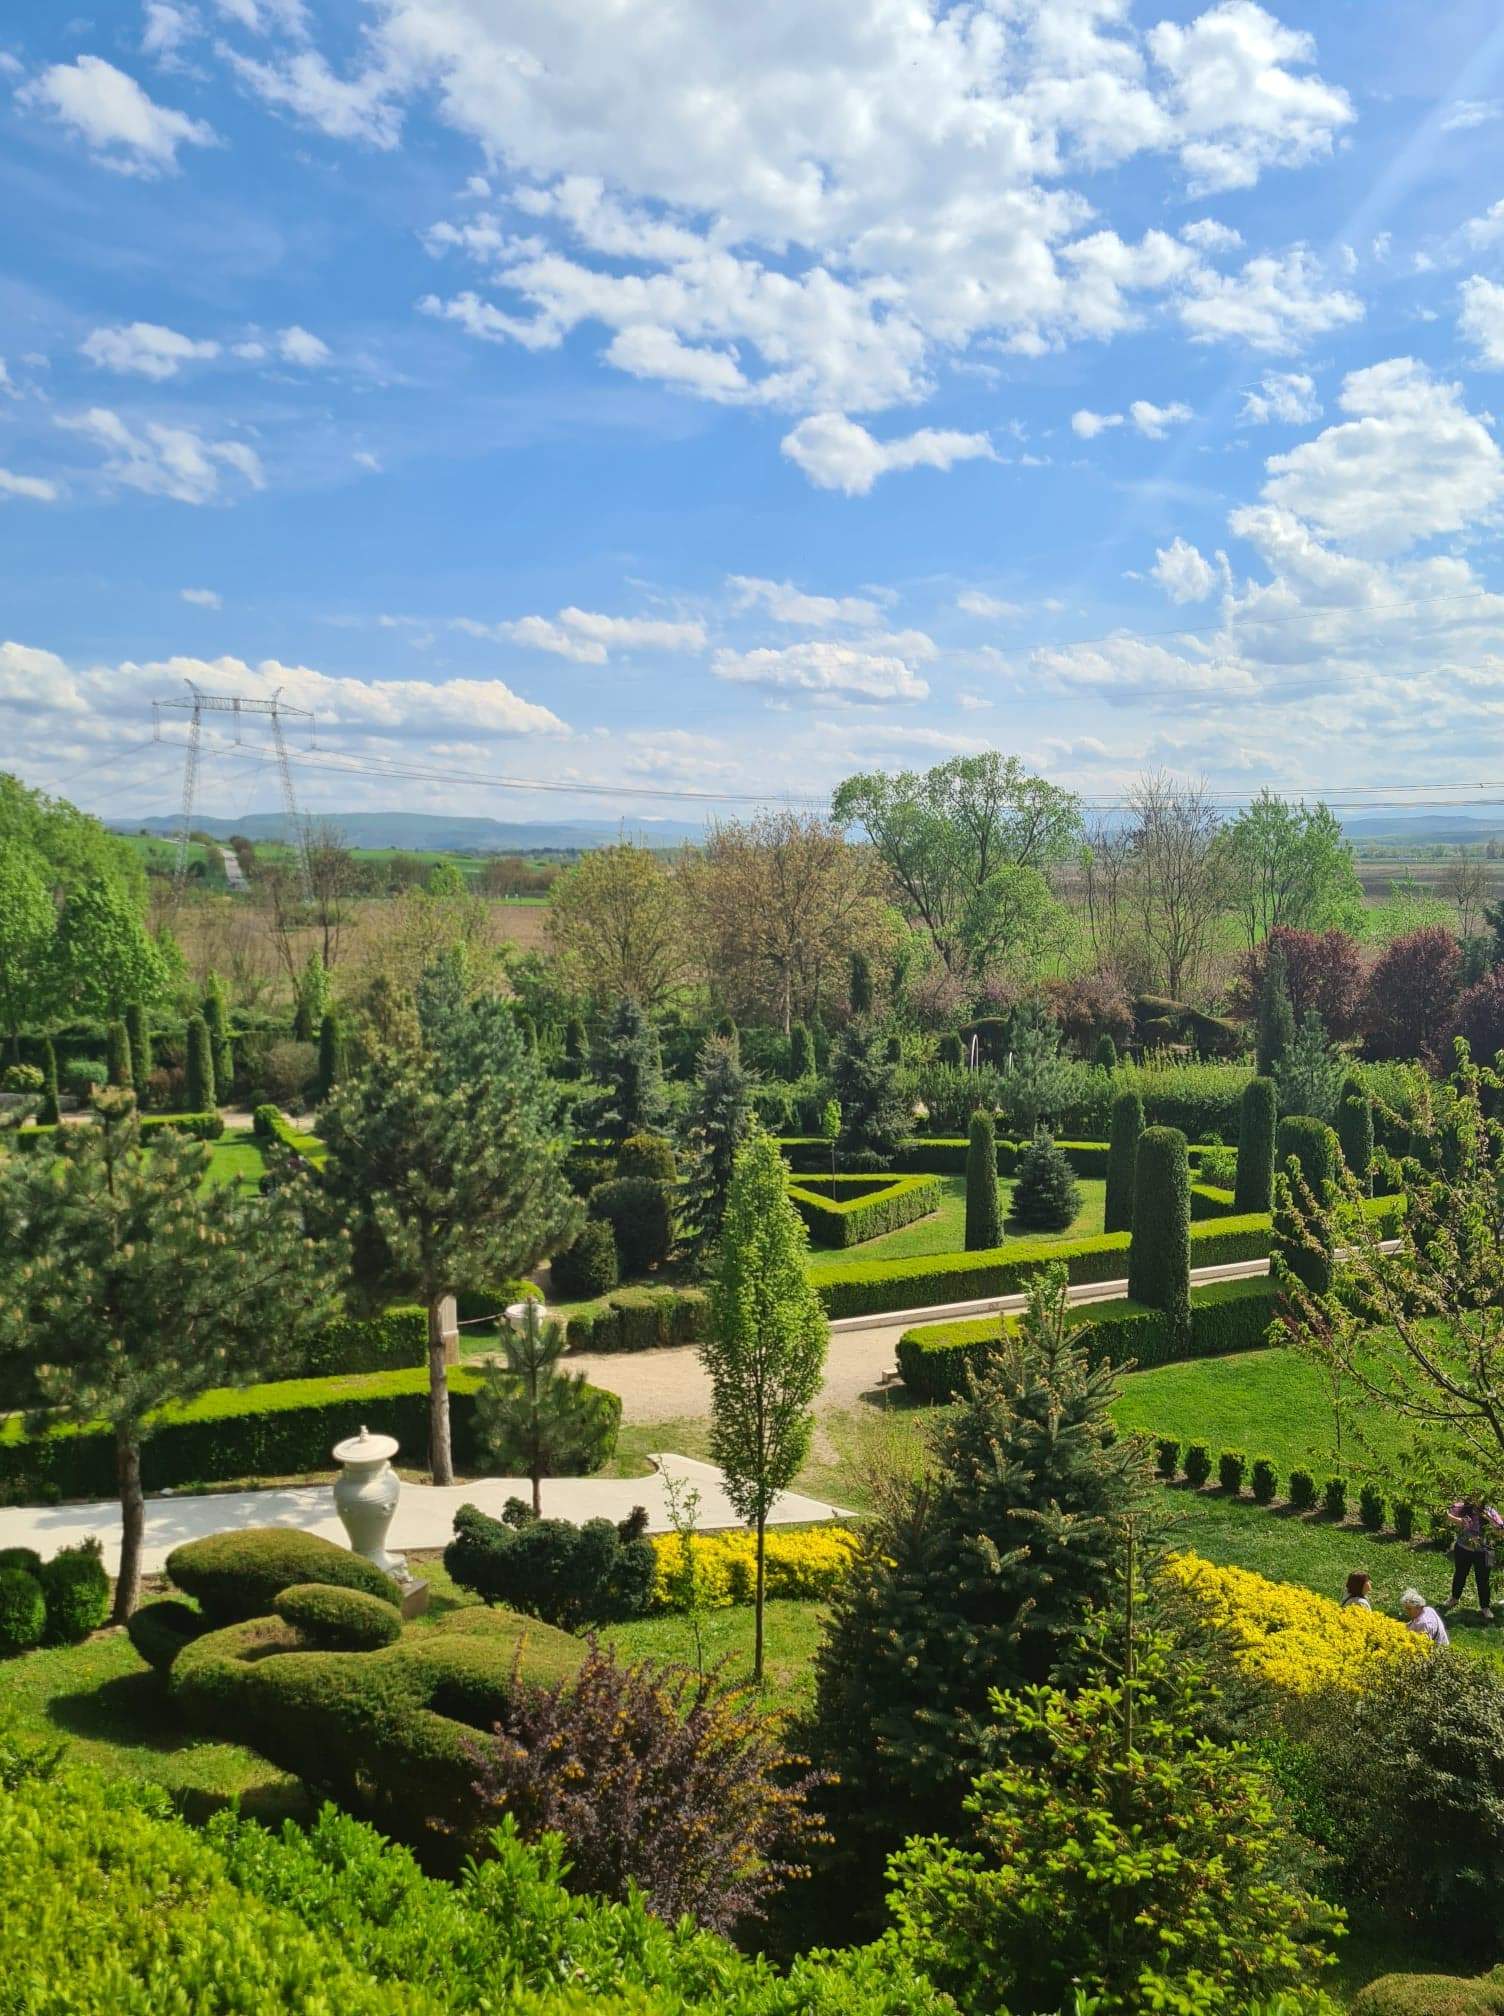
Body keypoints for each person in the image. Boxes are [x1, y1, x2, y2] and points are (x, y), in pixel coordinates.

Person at [1444, 1495, 1502, 1621]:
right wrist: (1458, 1521)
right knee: (1460, 1573)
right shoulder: (1463, 1508)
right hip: (1463, 1548)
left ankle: (1485, 1607)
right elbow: (1446, 1514)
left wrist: (1489, 1520)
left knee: (1483, 1580)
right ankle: (1454, 1598)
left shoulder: (1490, 1511)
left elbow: (1500, 1531)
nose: (1476, 1505)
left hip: (1484, 1551)